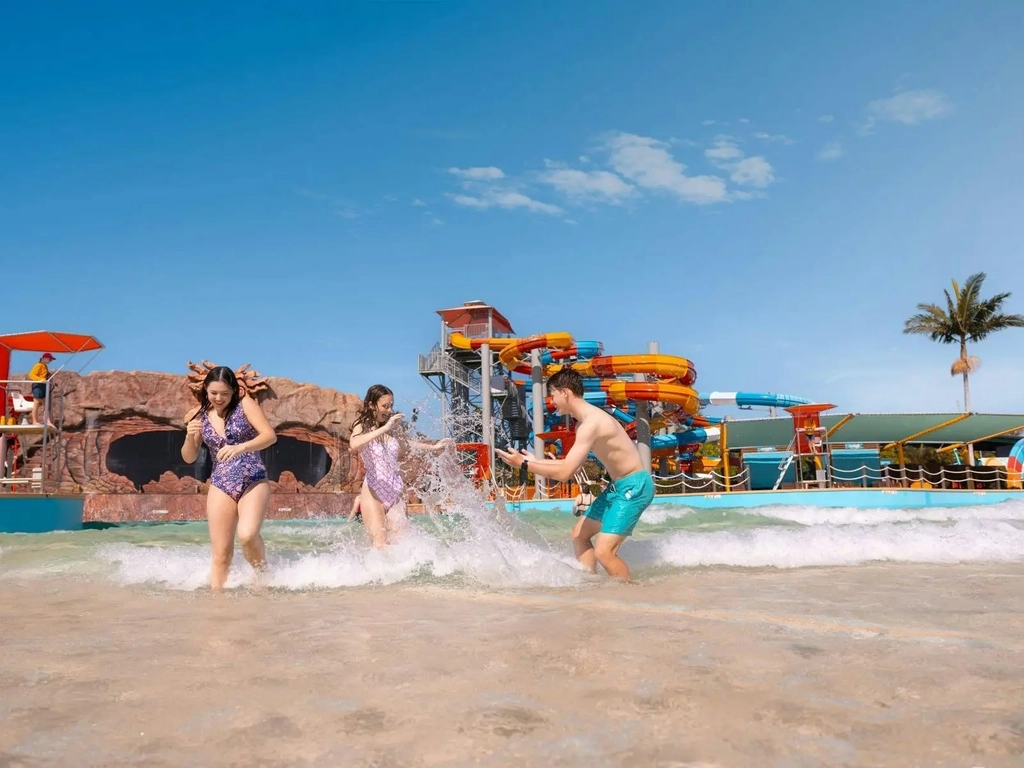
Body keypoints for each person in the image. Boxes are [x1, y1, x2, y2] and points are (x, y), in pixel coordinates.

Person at [496, 366, 654, 581]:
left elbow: (565, 473)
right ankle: (590, 583)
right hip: (617, 487)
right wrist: (535, 461)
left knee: (604, 552)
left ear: (566, 392)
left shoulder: (591, 424)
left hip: (635, 486)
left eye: (553, 395)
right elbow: (573, 466)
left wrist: (524, 464)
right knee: (579, 535)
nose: (552, 401)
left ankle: (634, 595)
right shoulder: (583, 425)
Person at [180, 366, 277, 591]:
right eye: (214, 393)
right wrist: (189, 436)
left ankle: (264, 579)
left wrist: (240, 447)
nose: (219, 398)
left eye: (224, 393)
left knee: (247, 534)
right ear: (206, 390)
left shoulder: (245, 405)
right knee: (221, 553)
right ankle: (218, 604)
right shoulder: (200, 416)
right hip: (221, 484)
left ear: (233, 391)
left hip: (253, 478)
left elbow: (269, 436)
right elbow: (189, 457)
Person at [349, 384, 451, 548]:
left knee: (401, 543)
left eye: (391, 405)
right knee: (380, 543)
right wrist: (385, 429)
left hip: (395, 489)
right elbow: (354, 444)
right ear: (371, 405)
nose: (389, 410)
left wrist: (433, 447)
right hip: (373, 489)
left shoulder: (393, 428)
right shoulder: (362, 425)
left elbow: (406, 445)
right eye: (385, 406)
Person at [28, 353, 56, 426]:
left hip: (43, 386)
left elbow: (45, 375)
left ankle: (47, 421)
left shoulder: (45, 366)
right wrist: (40, 379)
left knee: (43, 404)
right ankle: (36, 421)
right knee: (37, 403)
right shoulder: (38, 365)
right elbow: (31, 375)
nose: (50, 361)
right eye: (50, 359)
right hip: (38, 386)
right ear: (44, 358)